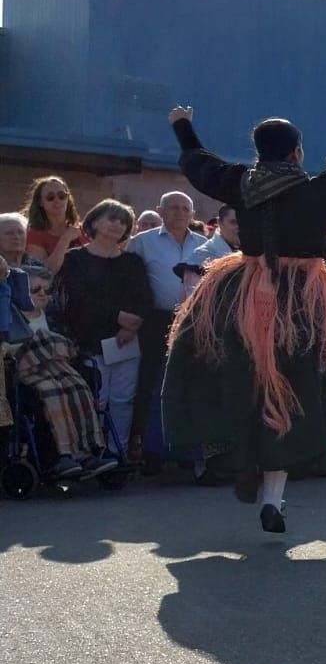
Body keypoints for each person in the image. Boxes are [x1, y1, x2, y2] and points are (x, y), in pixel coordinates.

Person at [160, 106, 326, 532]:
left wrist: (182, 125)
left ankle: (241, 461)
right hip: (301, 298)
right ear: (298, 153)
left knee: (242, 381)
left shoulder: (238, 182)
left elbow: (196, 161)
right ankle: (273, 496)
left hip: (242, 292)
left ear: (259, 152)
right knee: (297, 387)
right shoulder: (317, 191)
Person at [52, 198, 152, 449]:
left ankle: (116, 450)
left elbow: (144, 298)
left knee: (123, 399)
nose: (117, 225)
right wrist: (117, 316)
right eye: (112, 218)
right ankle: (92, 450)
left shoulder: (133, 262)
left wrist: (130, 327)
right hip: (90, 339)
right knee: (97, 398)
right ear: (95, 221)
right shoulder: (75, 259)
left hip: (125, 341)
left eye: (123, 222)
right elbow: (78, 298)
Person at [5, 266, 119, 479]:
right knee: (51, 392)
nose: (42, 294)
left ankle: (89, 451)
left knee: (79, 388)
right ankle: (60, 455)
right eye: (35, 288)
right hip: (28, 371)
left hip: (60, 369)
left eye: (47, 290)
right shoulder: (9, 318)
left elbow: (71, 345)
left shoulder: (54, 317)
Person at [124, 188, 205, 467]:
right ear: (160, 211)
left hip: (195, 324)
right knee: (151, 382)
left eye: (185, 208)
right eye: (173, 207)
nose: (180, 213)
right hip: (157, 321)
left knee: (189, 384)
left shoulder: (205, 244)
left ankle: (184, 448)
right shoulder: (141, 243)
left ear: (193, 214)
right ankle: (149, 450)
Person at [21, 176, 88, 273]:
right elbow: (46, 272)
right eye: (50, 197)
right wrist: (65, 239)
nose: (57, 200)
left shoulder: (83, 230)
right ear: (40, 202)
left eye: (62, 196)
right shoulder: (35, 235)